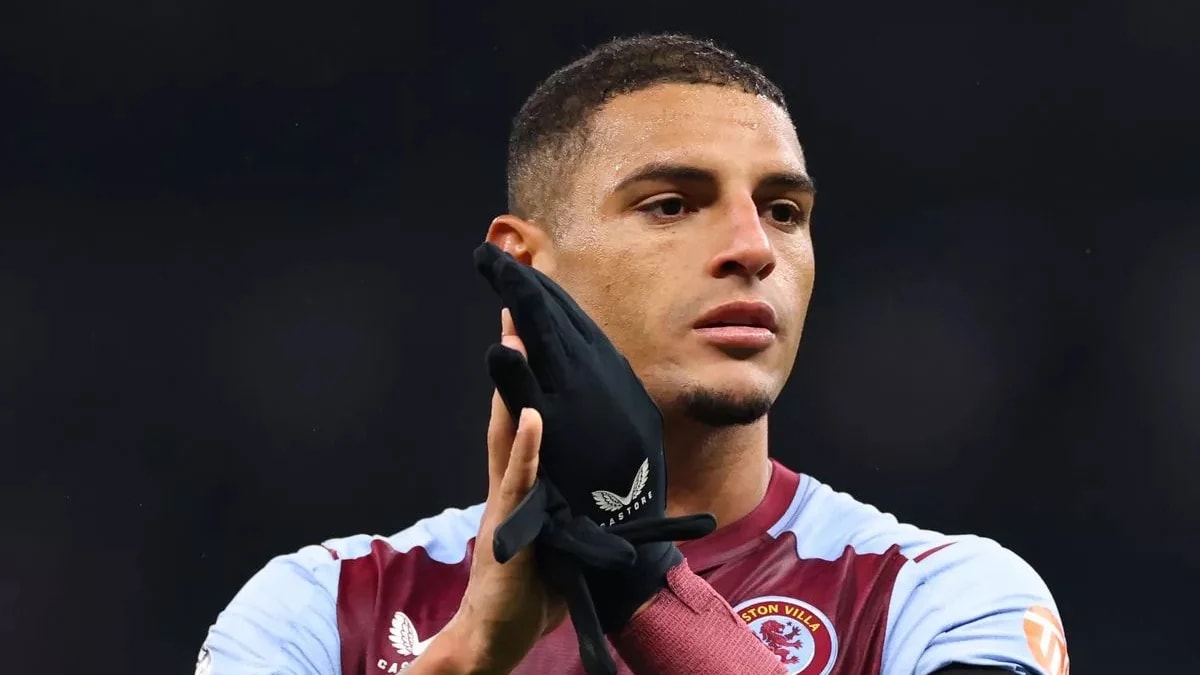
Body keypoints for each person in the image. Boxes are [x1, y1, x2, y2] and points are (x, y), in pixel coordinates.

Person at [198, 34, 1070, 675]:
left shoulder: (938, 595)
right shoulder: (326, 607)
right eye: (671, 204)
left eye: (784, 211)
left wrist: (644, 586)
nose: (752, 248)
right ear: (525, 267)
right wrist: (466, 659)